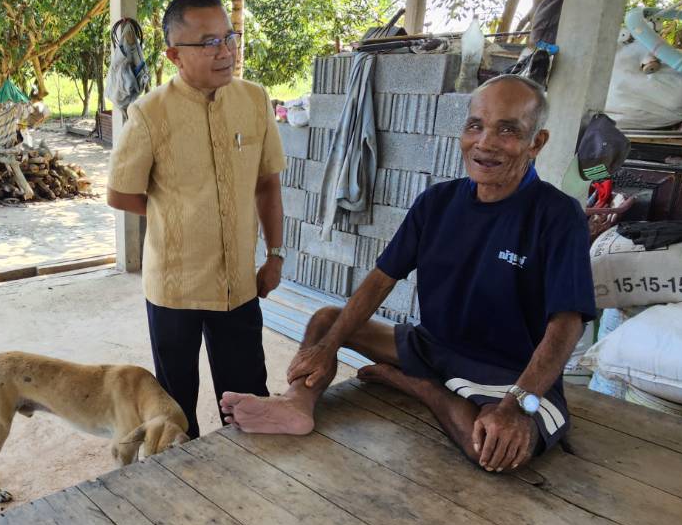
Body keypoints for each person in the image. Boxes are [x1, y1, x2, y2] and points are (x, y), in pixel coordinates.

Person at [222, 74, 596, 473]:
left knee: (487, 448)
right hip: (431, 348)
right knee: (327, 321)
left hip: (507, 373)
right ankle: (298, 403)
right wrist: (328, 348)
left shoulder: (557, 215)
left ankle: (421, 389)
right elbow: (382, 279)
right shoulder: (437, 202)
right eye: (476, 126)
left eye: (508, 131)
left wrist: (518, 404)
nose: (485, 143)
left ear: (536, 143)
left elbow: (567, 324)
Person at [107, 0, 286, 440]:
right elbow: (119, 193)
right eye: (208, 42)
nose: (225, 51)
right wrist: (177, 211)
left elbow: (267, 183)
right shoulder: (148, 114)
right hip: (174, 288)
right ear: (173, 55)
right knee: (174, 407)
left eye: (230, 37)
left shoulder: (254, 100)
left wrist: (276, 255)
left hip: (239, 285)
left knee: (248, 398)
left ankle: (244, 483)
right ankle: (183, 489)